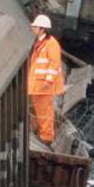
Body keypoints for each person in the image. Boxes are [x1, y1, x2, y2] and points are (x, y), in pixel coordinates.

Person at [28, 14, 65, 145]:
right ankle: (44, 134)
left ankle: (46, 137)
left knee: (45, 111)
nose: (33, 28)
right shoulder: (41, 42)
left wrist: (48, 81)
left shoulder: (51, 44)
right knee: (40, 110)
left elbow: (54, 63)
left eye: (35, 26)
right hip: (38, 85)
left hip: (44, 85)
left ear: (42, 29)